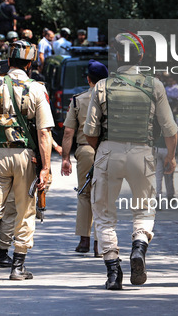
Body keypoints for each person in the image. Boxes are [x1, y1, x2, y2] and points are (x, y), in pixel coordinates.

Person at [83, 33, 178, 290]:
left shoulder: (102, 86)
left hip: (108, 152)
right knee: (145, 208)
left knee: (103, 213)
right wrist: (170, 157)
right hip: (142, 153)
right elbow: (170, 129)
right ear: (141, 56)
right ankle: (139, 246)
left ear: (116, 56)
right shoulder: (154, 85)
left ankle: (113, 271)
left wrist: (102, 150)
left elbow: (90, 132)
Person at [0, 40, 54, 283]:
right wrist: (45, 168)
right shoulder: (36, 88)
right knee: (25, 209)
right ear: (30, 62)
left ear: (8, 59)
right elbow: (45, 133)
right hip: (25, 156)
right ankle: (18, 268)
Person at [61, 60, 109, 256]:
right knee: (103, 197)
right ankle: (100, 244)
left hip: (85, 150)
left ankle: (84, 241)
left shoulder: (78, 100)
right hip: (108, 151)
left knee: (84, 194)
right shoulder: (113, 99)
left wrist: (65, 158)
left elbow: (68, 132)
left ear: (88, 80)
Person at [155, 97, 178, 204]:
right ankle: (170, 196)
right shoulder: (174, 119)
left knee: (158, 174)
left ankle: (157, 197)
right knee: (169, 173)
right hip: (169, 150)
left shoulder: (156, 118)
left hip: (157, 148)